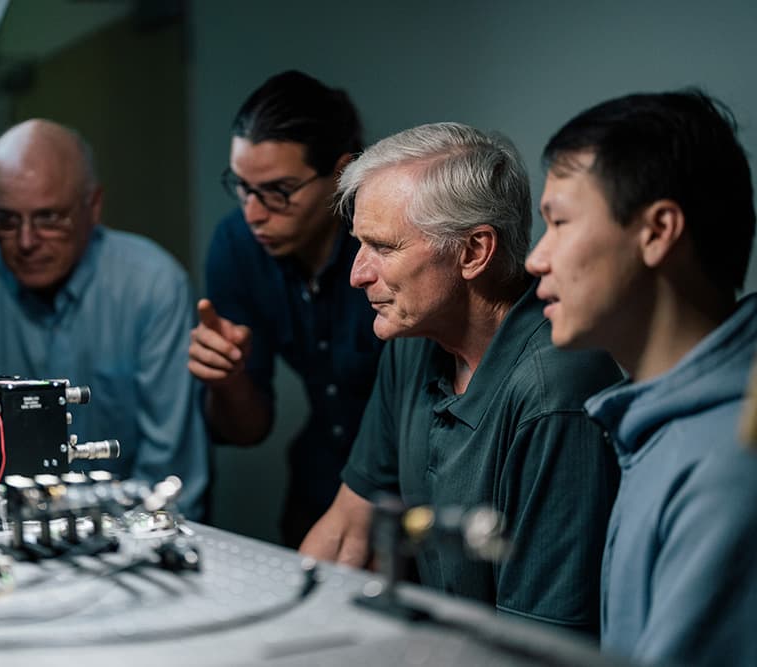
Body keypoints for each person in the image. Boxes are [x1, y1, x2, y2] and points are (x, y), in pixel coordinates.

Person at [300, 122, 622, 634]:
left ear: (474, 251)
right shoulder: (413, 341)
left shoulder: (556, 392)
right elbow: (347, 531)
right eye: (359, 245)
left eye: (383, 247)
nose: (358, 273)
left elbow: (538, 645)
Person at [525, 90, 757, 665]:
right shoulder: (652, 423)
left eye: (558, 223)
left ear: (657, 231)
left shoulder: (729, 469)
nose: (537, 258)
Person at [0, 119, 208, 519]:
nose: (26, 242)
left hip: (130, 541)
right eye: (5, 220)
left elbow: (169, 475)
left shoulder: (154, 287)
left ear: (93, 206)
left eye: (49, 218)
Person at [188, 71, 384, 546]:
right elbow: (247, 430)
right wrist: (229, 378)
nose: (254, 212)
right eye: (241, 186)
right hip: (317, 483)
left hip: (414, 496)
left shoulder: (388, 242)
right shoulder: (238, 246)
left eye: (278, 191)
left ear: (342, 174)